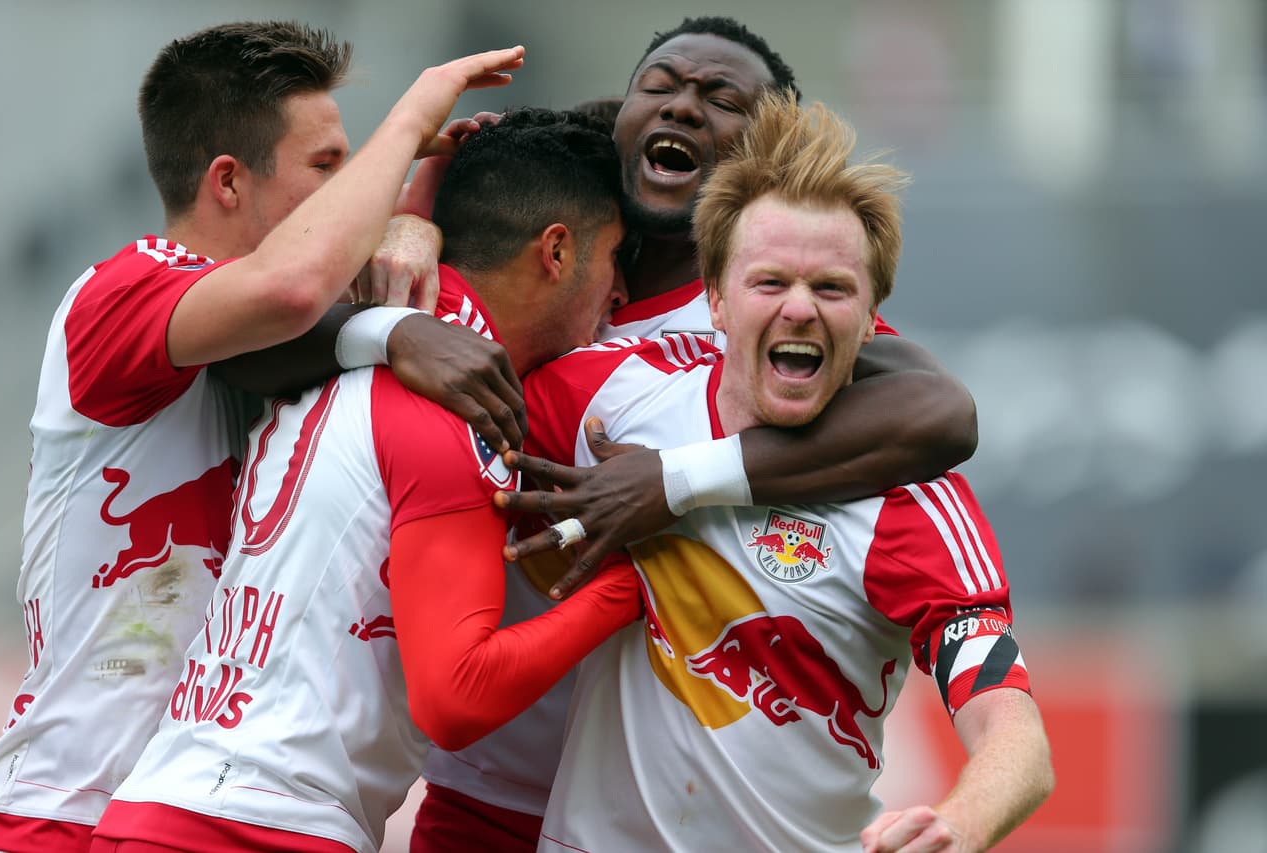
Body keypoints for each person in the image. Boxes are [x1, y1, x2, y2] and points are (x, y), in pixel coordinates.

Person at [411, 16, 978, 851]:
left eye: (720, 100)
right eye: (661, 88)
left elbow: (943, 414)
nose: (682, 108)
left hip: (636, 814)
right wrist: (410, 220)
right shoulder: (544, 236)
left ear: (764, 155)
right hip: (481, 794)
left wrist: (671, 481)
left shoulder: (768, 306)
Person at [0, 20, 525, 852]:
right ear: (229, 183)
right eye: (325, 167)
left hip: (178, 805)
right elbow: (294, 289)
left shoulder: (246, 333)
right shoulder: (119, 291)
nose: (351, 192)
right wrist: (412, 115)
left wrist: (415, 211)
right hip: (62, 805)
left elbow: (319, 314)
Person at [89, 109, 638, 853]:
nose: (620, 296)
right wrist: (635, 583)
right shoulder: (453, 410)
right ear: (557, 251)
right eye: (613, 258)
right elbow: (457, 694)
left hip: (162, 805)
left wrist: (421, 200)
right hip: (263, 827)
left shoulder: (349, 340)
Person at [523, 90, 1054, 853]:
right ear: (713, 299)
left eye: (831, 287)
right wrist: (407, 232)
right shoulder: (607, 398)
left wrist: (959, 824)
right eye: (770, 282)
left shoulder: (913, 502)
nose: (800, 308)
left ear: (874, 322)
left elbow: (1015, 734)